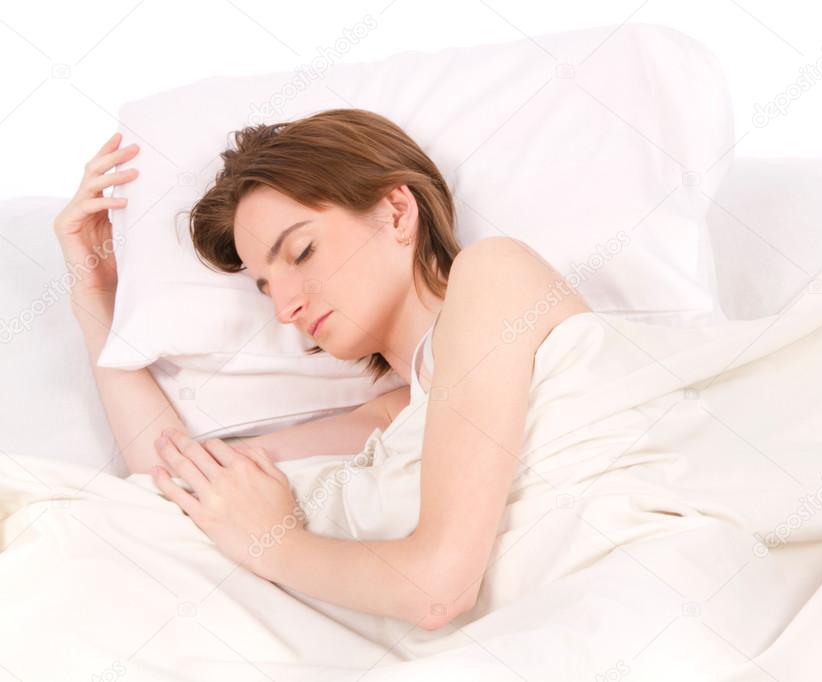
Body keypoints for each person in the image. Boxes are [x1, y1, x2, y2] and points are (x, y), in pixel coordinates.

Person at [52, 109, 591, 632]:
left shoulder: (495, 272)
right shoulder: (392, 418)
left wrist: (276, 545)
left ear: (397, 212)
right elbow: (180, 481)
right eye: (265, 286)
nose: (285, 308)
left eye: (302, 252)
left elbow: (439, 588)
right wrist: (94, 297)